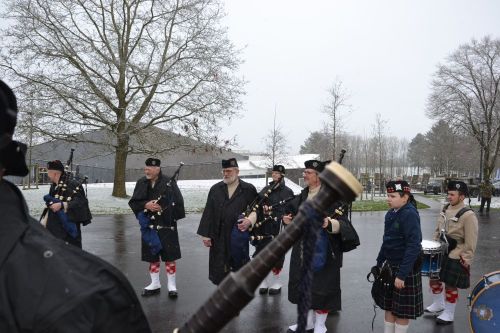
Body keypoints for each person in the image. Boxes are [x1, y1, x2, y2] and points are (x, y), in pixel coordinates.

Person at [0, 79, 151, 332]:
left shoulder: (93, 298)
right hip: (51, 231)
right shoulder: (52, 187)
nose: (48, 174)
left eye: (50, 171)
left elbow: (82, 205)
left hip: (68, 233)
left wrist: (65, 208)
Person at [283, 160, 344, 333]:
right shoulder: (302, 196)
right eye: (305, 171)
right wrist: (286, 220)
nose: (305, 174)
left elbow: (342, 223)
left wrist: (329, 223)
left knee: (322, 287)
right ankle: (307, 322)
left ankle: (320, 324)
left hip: (325, 249)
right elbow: (291, 214)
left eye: (308, 172)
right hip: (303, 247)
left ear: (319, 177)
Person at [129, 158, 185, 298]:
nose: (146, 170)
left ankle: (171, 285)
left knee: (169, 256)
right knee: (152, 256)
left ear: (158, 169)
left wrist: (166, 210)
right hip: (149, 225)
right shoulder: (141, 182)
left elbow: (178, 202)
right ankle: (155, 283)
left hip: (167, 224)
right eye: (146, 168)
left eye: (149, 168)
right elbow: (134, 202)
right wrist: (146, 205)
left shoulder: (169, 182)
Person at [424, 180, 478, 325]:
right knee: (433, 277)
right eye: (448, 193)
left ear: (462, 197)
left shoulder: (468, 215)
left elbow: (471, 241)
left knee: (450, 284)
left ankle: (449, 312)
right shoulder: (445, 208)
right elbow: (438, 229)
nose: (449, 197)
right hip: (441, 250)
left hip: (456, 253)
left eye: (452, 194)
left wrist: (466, 259)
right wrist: (434, 244)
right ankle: (438, 303)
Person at [197, 158, 258, 285]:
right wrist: (205, 235)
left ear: (237, 171)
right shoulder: (215, 189)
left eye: (229, 171)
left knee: (238, 266)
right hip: (218, 236)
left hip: (238, 236)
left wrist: (249, 221)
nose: (226, 174)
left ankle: (237, 296)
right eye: (224, 171)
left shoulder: (248, 189)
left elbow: (257, 209)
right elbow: (209, 212)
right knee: (220, 269)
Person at [374, 180, 423, 333]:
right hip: (390, 266)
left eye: (393, 196)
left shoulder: (409, 214)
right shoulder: (391, 213)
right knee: (389, 306)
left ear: (405, 197)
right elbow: (387, 239)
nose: (388, 199)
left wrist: (402, 275)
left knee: (401, 311)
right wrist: (379, 262)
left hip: (404, 269)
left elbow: (413, 246)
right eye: (388, 195)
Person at [253, 164, 294, 295]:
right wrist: (263, 208)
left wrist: (281, 216)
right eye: (273, 173)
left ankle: (277, 281)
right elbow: (258, 204)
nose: (274, 175)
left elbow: (290, 210)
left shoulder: (287, 191)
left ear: (282, 175)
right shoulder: (266, 189)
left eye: (277, 173)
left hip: (279, 227)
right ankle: (263, 281)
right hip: (264, 226)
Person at [40, 159, 92, 248]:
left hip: (68, 230)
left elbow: (81, 202)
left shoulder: (72, 184)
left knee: (71, 256)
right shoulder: (54, 186)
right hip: (55, 228)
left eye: (48, 172)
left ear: (54, 174)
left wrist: (63, 205)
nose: (48, 175)